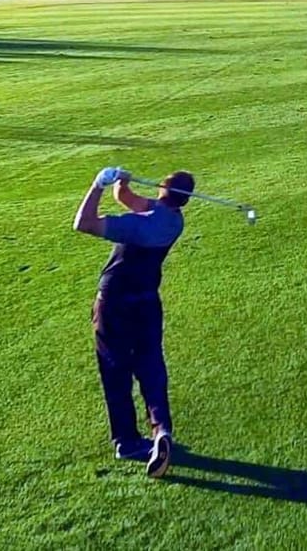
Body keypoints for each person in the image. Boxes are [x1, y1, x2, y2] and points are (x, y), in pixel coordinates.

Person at [72, 166, 194, 478]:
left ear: (162, 191)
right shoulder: (172, 220)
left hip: (114, 304)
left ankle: (126, 441)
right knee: (152, 366)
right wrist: (121, 183)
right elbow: (126, 197)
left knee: (115, 370)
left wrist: (97, 183)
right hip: (147, 302)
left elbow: (83, 223)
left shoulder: (137, 228)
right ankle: (161, 430)